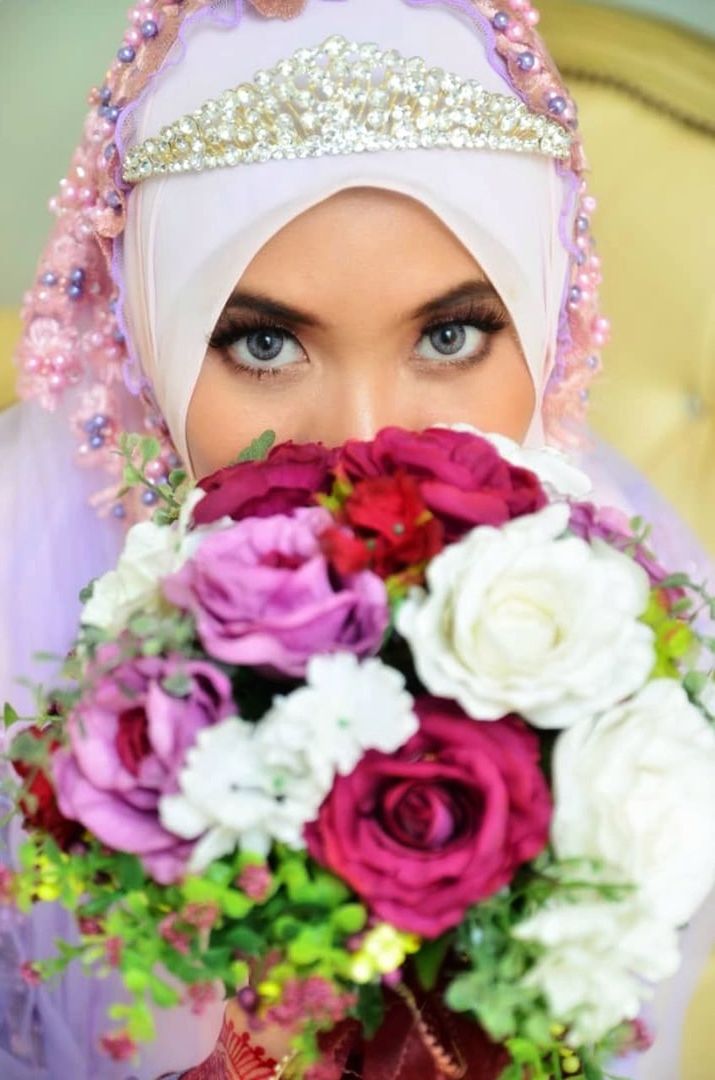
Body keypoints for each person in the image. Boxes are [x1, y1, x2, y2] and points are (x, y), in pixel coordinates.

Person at [0, 1, 711, 1077]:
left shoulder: (637, 675)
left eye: (449, 334)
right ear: (152, 345)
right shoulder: (23, 650)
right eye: (267, 341)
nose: (367, 444)